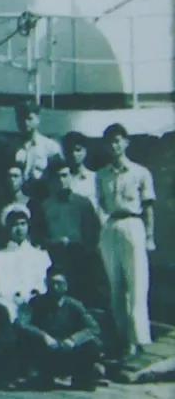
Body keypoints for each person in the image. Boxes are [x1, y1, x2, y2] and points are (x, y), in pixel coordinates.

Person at [96, 122, 156, 359]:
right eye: (110, 141)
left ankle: (138, 338)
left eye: (118, 140)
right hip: (112, 226)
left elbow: (148, 207)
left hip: (133, 224)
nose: (114, 145)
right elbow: (101, 204)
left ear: (126, 143)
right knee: (116, 286)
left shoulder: (140, 172)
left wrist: (150, 236)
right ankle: (122, 339)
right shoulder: (101, 175)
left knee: (137, 284)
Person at [17, 266, 103, 389]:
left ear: (66, 286)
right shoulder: (35, 302)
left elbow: (93, 328)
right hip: (46, 352)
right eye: (51, 283)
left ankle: (82, 378)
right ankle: (41, 377)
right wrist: (43, 336)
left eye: (59, 283)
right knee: (24, 338)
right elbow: (22, 324)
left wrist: (74, 340)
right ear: (46, 283)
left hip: (68, 352)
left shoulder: (75, 305)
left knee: (92, 344)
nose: (55, 287)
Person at [35, 159, 103, 307]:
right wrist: (55, 242)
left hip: (82, 263)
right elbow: (38, 237)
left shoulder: (83, 204)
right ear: (51, 181)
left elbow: (94, 233)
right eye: (57, 177)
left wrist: (83, 250)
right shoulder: (45, 207)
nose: (62, 180)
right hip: (56, 263)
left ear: (71, 177)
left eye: (65, 175)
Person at [0, 204, 51, 317]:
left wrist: (36, 293)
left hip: (37, 304)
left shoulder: (40, 255)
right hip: (9, 304)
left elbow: (45, 282)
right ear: (7, 228)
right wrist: (13, 296)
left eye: (23, 224)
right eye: (14, 225)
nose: (19, 229)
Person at [13, 101, 62, 194]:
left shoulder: (50, 147)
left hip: (43, 194)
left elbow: (58, 175)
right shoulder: (13, 147)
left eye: (29, 118)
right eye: (21, 119)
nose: (25, 122)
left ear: (38, 119)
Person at [62, 133, 100, 212]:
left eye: (78, 150)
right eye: (69, 151)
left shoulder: (95, 178)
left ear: (85, 151)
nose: (74, 154)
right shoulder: (60, 179)